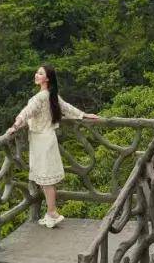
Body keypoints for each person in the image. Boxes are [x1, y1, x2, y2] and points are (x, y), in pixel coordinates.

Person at [7, 64, 100, 228]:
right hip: (46, 139)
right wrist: (84, 114)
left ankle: (53, 212)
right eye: (37, 72)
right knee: (46, 179)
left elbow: (27, 112)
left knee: (46, 180)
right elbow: (67, 108)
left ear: (47, 78)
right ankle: (51, 213)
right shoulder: (51, 95)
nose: (36, 75)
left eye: (40, 73)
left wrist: (15, 126)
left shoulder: (40, 97)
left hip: (42, 141)